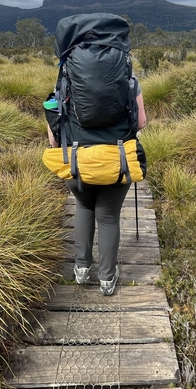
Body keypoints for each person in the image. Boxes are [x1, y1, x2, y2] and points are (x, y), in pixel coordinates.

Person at [47, 79, 146, 296]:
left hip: (76, 162)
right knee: (108, 216)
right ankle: (107, 279)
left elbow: (54, 133)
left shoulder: (65, 78)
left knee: (83, 207)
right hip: (117, 161)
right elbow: (140, 123)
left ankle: (82, 269)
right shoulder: (129, 79)